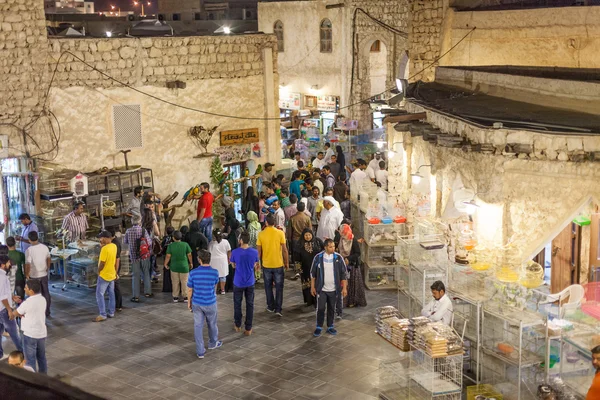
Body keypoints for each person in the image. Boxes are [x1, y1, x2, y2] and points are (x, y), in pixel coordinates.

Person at [187, 250, 223, 359]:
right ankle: (213, 343)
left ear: (199, 259)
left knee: (198, 326)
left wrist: (189, 302)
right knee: (212, 324)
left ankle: (200, 351)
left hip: (197, 303)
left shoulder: (193, 273)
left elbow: (189, 290)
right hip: (211, 302)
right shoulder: (215, 272)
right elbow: (214, 286)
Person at [310, 239, 348, 337]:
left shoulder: (338, 258)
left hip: (334, 290)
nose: (333, 248)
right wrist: (312, 287)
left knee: (332, 308)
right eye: (330, 247)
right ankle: (319, 326)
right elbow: (313, 274)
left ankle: (330, 325)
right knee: (321, 308)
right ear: (325, 247)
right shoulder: (318, 258)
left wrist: (344, 288)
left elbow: (343, 274)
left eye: (333, 246)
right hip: (322, 289)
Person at [257, 214, 288, 317]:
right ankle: (278, 308)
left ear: (266, 222)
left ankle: (270, 306)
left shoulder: (261, 234)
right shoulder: (280, 233)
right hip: (278, 264)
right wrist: (286, 262)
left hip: (266, 264)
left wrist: (257, 263)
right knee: (279, 287)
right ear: (274, 223)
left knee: (268, 286)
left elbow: (259, 252)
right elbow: (284, 249)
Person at [14, 279, 47, 373]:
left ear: (31, 291)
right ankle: (44, 378)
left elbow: (16, 313)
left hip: (29, 335)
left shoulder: (27, 303)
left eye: (26, 288)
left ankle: (32, 381)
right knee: (42, 358)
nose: (24, 289)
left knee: (29, 360)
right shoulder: (43, 299)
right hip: (41, 334)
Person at [230, 232, 259, 336]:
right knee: (250, 304)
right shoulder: (254, 252)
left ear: (240, 240)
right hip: (250, 281)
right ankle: (248, 328)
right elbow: (255, 264)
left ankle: (238, 325)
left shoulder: (235, 252)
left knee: (237, 304)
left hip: (238, 281)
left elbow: (233, 265)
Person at [335, 224, 366, 310]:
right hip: (342, 264)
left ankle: (352, 301)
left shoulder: (353, 240)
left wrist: (348, 258)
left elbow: (357, 253)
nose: (342, 234)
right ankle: (345, 301)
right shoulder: (341, 239)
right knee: (344, 283)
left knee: (352, 284)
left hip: (352, 266)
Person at [124, 215, 152, 302]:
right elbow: (149, 242)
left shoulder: (128, 231)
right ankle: (147, 292)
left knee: (135, 276)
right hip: (144, 256)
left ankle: (136, 296)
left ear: (132, 222)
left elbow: (126, 242)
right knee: (146, 273)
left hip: (134, 256)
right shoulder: (143, 230)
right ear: (140, 222)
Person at [0, 255, 23, 360]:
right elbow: (2, 296)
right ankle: (23, 354)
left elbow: (4, 293)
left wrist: (12, 297)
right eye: (8, 263)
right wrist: (9, 310)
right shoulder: (2, 277)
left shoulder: (3, 275)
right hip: (3, 310)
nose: (10, 264)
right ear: (3, 264)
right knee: (15, 333)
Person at [24, 231, 51, 317]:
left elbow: (28, 264)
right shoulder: (44, 247)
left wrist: (27, 274)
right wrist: (47, 268)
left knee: (35, 295)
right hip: (43, 274)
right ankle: (47, 311)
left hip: (34, 276)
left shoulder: (29, 250)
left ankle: (37, 313)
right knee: (46, 293)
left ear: (29, 239)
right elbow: (48, 258)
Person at [294, 229, 323, 308]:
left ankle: (317, 300)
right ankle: (309, 300)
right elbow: (297, 258)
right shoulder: (299, 244)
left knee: (317, 283)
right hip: (305, 268)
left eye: (309, 235)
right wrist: (298, 269)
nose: (308, 237)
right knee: (307, 284)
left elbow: (324, 250)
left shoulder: (317, 241)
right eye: (306, 235)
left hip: (317, 267)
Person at [94, 231, 118, 322]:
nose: (100, 240)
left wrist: (98, 271)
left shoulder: (104, 249)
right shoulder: (114, 246)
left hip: (104, 275)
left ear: (105, 238)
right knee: (111, 294)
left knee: (99, 294)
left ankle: (103, 314)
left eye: (101, 238)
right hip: (112, 274)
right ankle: (111, 312)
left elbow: (102, 263)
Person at [164, 230, 192, 303]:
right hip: (184, 267)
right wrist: (191, 263)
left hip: (174, 267)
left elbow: (168, 256)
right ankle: (185, 297)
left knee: (175, 282)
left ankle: (175, 297)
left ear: (173, 238)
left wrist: (165, 264)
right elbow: (189, 255)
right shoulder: (185, 244)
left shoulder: (170, 246)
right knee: (185, 282)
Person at [208, 228, 231, 295]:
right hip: (223, 260)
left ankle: (214, 290)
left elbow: (209, 252)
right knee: (223, 276)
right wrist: (229, 258)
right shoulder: (225, 241)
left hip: (213, 261)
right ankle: (222, 290)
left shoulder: (211, 243)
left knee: (214, 276)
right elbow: (229, 251)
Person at [7, 236, 25, 301]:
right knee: (20, 299)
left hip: (8, 279)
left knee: (10, 297)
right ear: (15, 243)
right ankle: (21, 310)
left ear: (7, 244)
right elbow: (24, 267)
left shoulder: (6, 255)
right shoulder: (21, 254)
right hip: (19, 277)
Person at [160, 226, 174, 292]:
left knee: (166, 272)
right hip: (173, 257)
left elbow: (162, 247)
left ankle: (166, 288)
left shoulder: (165, 238)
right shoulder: (174, 238)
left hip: (166, 257)